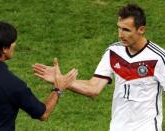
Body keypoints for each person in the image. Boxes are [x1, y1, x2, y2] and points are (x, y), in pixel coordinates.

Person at [33, 4, 165, 131]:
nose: (120, 34)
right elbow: (93, 88)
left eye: (126, 30)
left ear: (141, 29)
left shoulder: (158, 58)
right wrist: (62, 81)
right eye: (119, 28)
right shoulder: (113, 52)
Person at [0, 21, 78, 131]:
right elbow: (43, 114)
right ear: (4, 49)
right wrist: (58, 89)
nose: (15, 45)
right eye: (13, 42)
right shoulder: (13, 85)